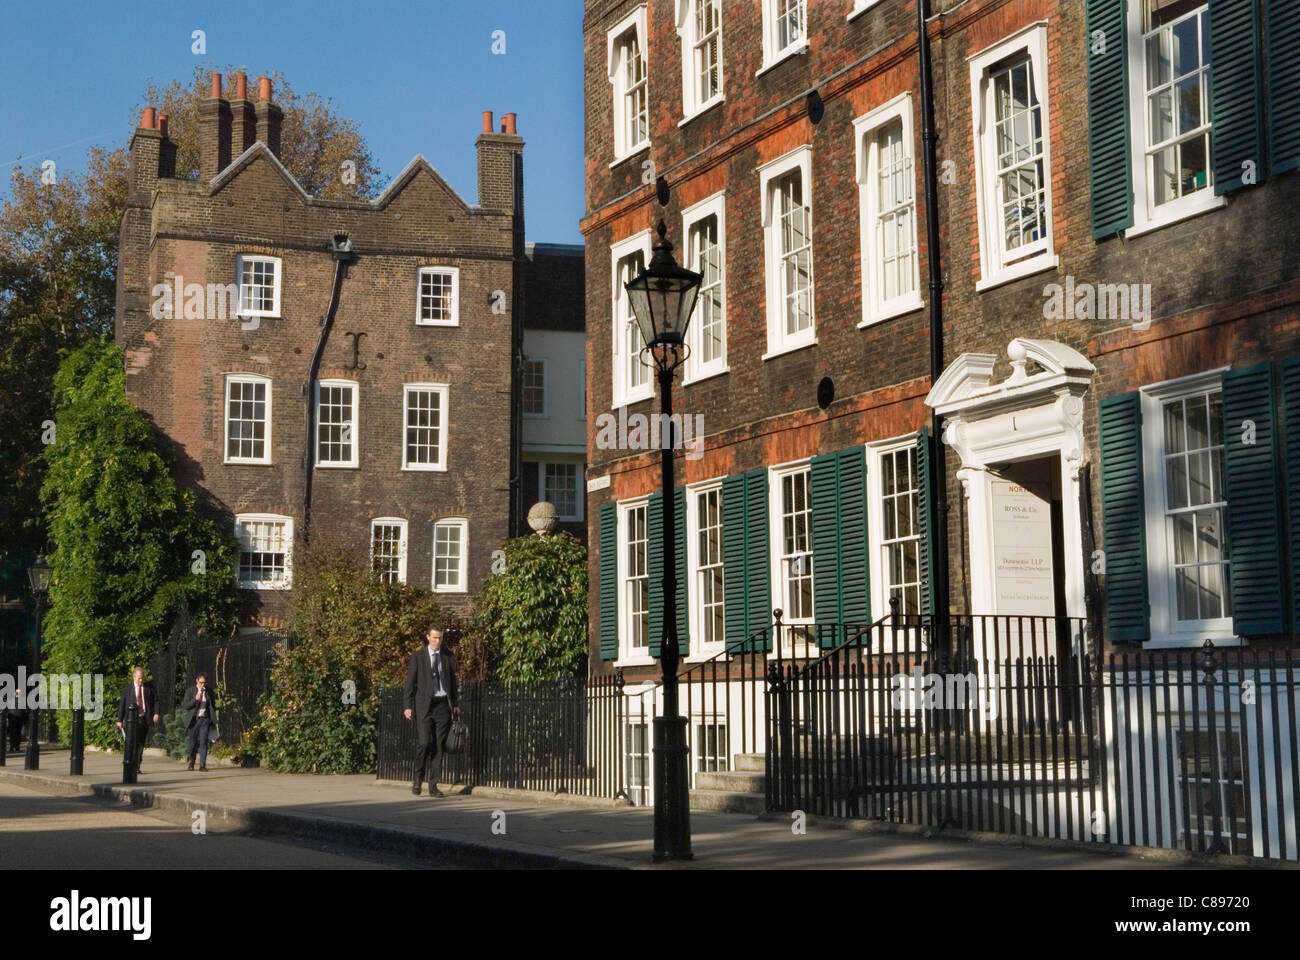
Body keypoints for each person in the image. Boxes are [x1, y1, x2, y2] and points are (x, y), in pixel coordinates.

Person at [403, 624, 459, 797]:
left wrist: (455, 703)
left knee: (439, 747)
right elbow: (410, 682)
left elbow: (452, 682)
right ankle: (417, 779)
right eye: (434, 638)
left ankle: (433, 785)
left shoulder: (448, 656)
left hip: (442, 705)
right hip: (424, 706)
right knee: (424, 743)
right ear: (427, 637)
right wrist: (407, 705)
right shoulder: (418, 656)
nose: (437, 641)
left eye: (440, 638)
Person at [116, 667, 159, 773]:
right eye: (139, 678)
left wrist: (156, 713)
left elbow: (156, 701)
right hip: (131, 720)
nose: (141, 681)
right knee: (131, 743)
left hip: (144, 719)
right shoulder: (127, 690)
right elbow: (122, 705)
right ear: (134, 677)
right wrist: (119, 720)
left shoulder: (149, 689)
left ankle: (137, 766)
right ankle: (130, 763)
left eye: (142, 678)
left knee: (140, 744)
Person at [183, 672, 217, 771]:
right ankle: (191, 762)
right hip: (194, 721)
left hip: (205, 720)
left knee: (203, 743)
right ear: (197, 681)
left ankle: (202, 765)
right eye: (201, 682)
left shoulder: (209, 692)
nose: (203, 685)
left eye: (204, 683)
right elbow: (185, 705)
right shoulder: (190, 691)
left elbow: (212, 706)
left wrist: (213, 721)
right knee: (193, 743)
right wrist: (195, 699)